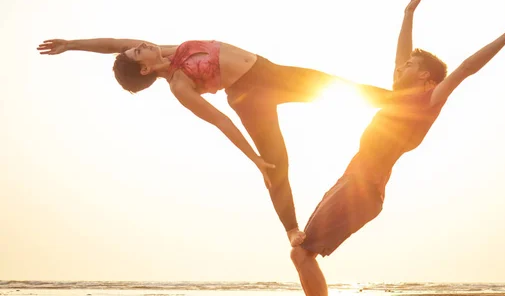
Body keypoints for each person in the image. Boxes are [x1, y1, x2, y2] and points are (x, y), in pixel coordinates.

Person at [289, 0, 505, 296]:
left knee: (302, 252)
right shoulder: (399, 94)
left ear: (427, 78)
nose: (401, 66)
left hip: (362, 188)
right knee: (302, 251)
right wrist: (408, 15)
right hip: (351, 182)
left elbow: (466, 68)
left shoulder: (430, 99)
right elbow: (403, 55)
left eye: (410, 65)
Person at [37, 37, 391, 246]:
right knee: (274, 163)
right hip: (249, 96)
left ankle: (399, 100)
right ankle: (292, 230)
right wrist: (252, 156)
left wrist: (71, 45)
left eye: (134, 48)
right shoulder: (179, 85)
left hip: (269, 71)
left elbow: (114, 44)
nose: (137, 45)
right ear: (144, 69)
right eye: (135, 53)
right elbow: (220, 120)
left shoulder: (166, 50)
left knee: (336, 85)